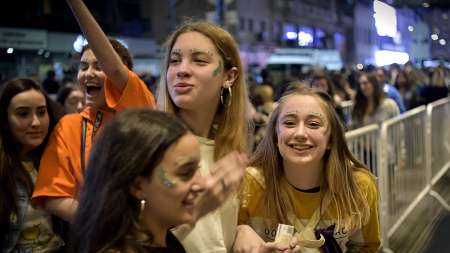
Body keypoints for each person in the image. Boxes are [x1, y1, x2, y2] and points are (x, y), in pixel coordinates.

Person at [32, 0, 156, 223]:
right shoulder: (68, 126)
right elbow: (54, 195)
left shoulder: (139, 107)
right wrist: (102, 225)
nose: (88, 74)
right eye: (83, 67)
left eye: (99, 66)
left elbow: (115, 69)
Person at [71, 109, 246, 253]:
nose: (201, 184)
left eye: (197, 170)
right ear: (138, 185)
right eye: (186, 173)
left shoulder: (157, 238)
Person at [236, 87, 381, 252]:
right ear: (276, 136)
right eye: (289, 123)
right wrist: (238, 231)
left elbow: (366, 247)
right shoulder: (248, 184)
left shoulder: (359, 187)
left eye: (313, 124)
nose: (300, 133)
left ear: (331, 139)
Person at [157, 20, 250, 252]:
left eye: (199, 60)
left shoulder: (229, 151)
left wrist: (243, 231)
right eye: (175, 60)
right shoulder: (148, 147)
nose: (182, 70)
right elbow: (129, 233)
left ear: (229, 77)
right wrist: (196, 210)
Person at [0, 78, 64, 252]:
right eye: (23, 114)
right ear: (5, 120)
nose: (35, 122)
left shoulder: (57, 159)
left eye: (42, 112)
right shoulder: (4, 168)